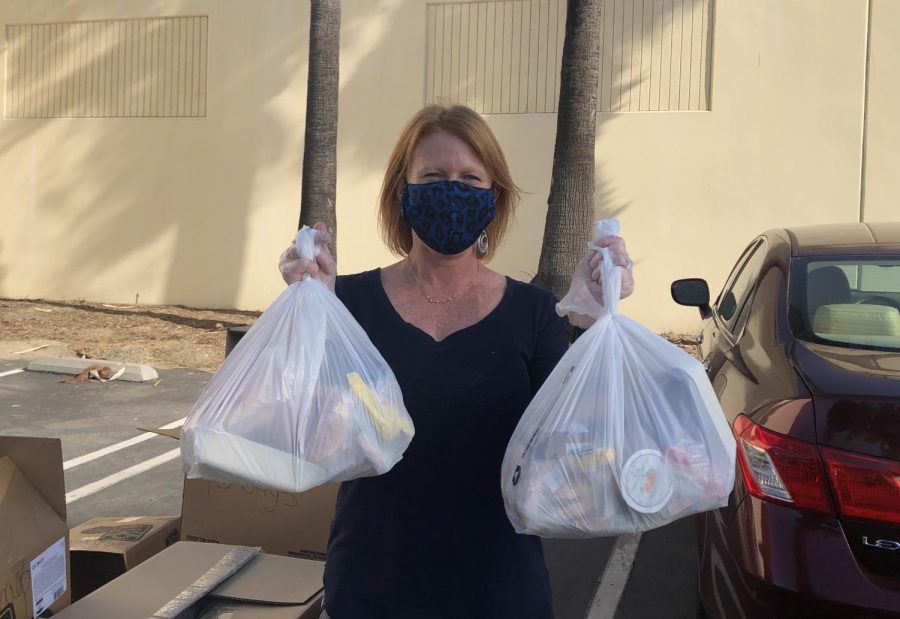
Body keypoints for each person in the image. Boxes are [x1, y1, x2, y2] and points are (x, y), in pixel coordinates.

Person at [278, 104, 635, 619]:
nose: (453, 190)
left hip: (500, 592)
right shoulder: (346, 300)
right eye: (434, 176)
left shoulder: (533, 313)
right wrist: (309, 314)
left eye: (470, 177)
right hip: (371, 588)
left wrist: (596, 322)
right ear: (403, 192)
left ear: (494, 199)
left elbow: (582, 444)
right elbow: (303, 430)